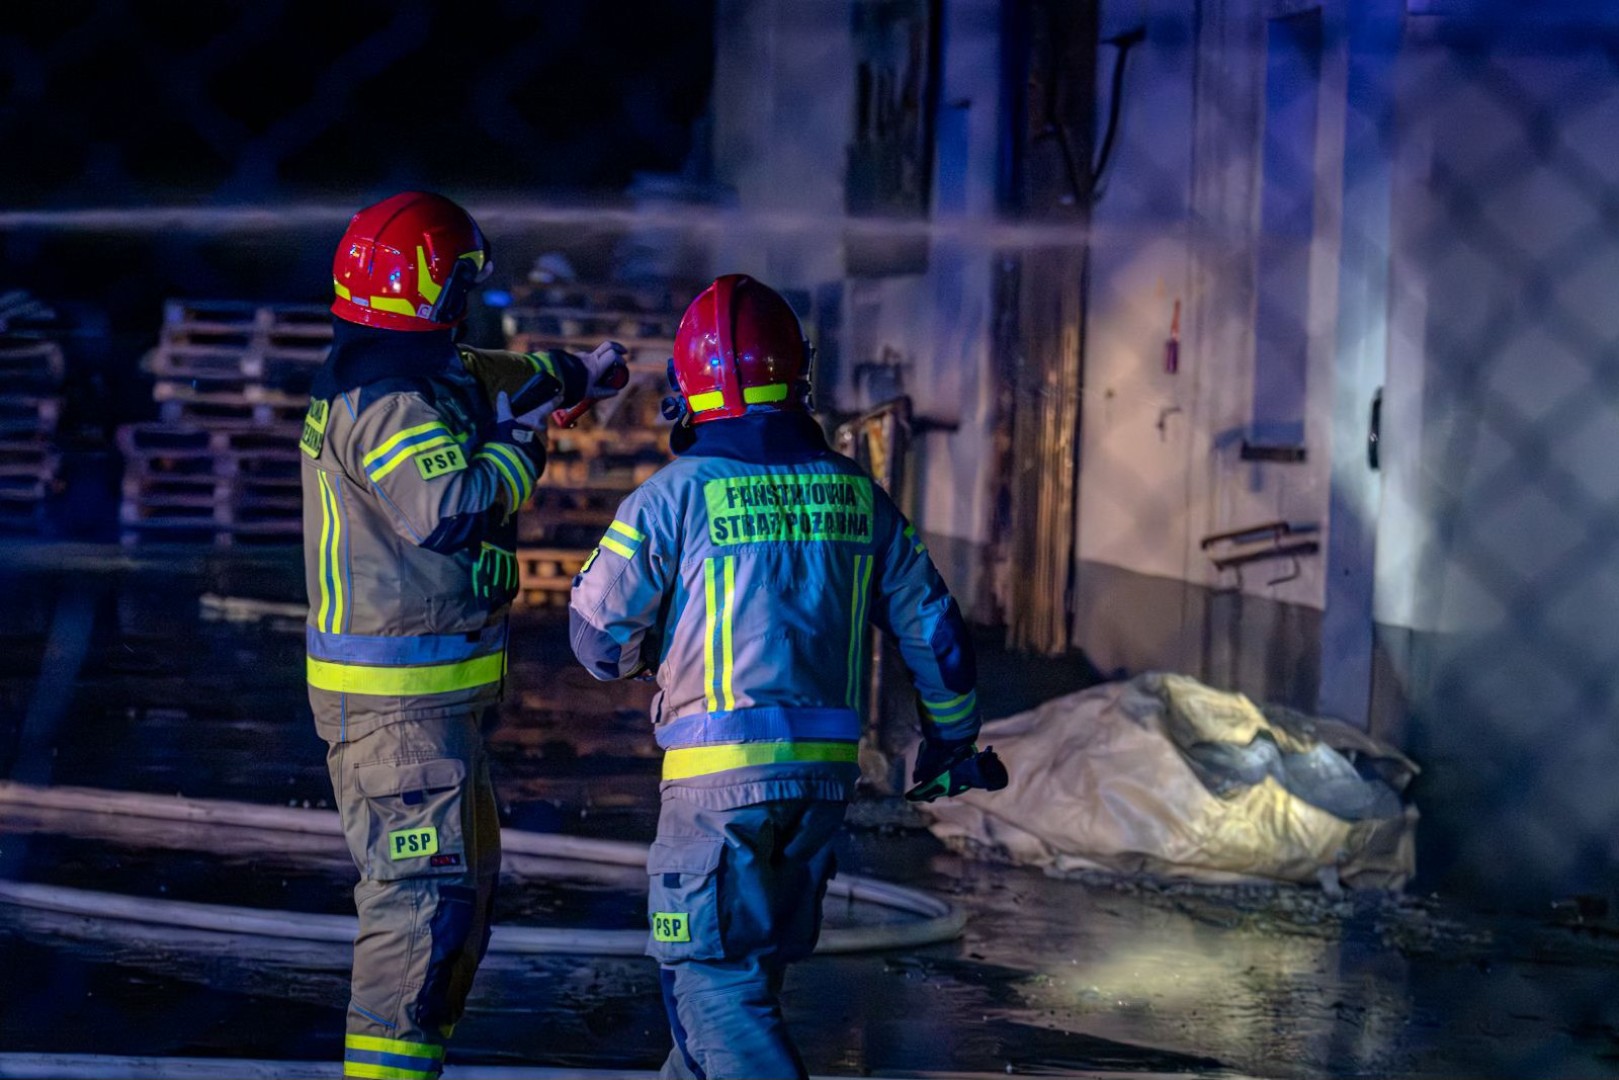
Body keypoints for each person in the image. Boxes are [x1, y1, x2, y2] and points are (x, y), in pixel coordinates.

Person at [568, 274, 1000, 1079]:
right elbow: (936, 632)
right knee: (731, 994)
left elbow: (596, 644)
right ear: (797, 376)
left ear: (690, 388)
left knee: (714, 987)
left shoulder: (673, 496)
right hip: (818, 790)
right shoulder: (855, 496)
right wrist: (951, 738)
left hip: (714, 790)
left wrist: (651, 645)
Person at [299, 190, 624, 1080]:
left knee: (456, 910)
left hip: (431, 711)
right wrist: (522, 443)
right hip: (398, 718)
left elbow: (492, 375)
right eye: (463, 287)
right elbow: (447, 509)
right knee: (419, 913)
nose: (467, 305)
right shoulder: (387, 400)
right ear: (438, 291)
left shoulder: (410, 369)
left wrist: (570, 375)